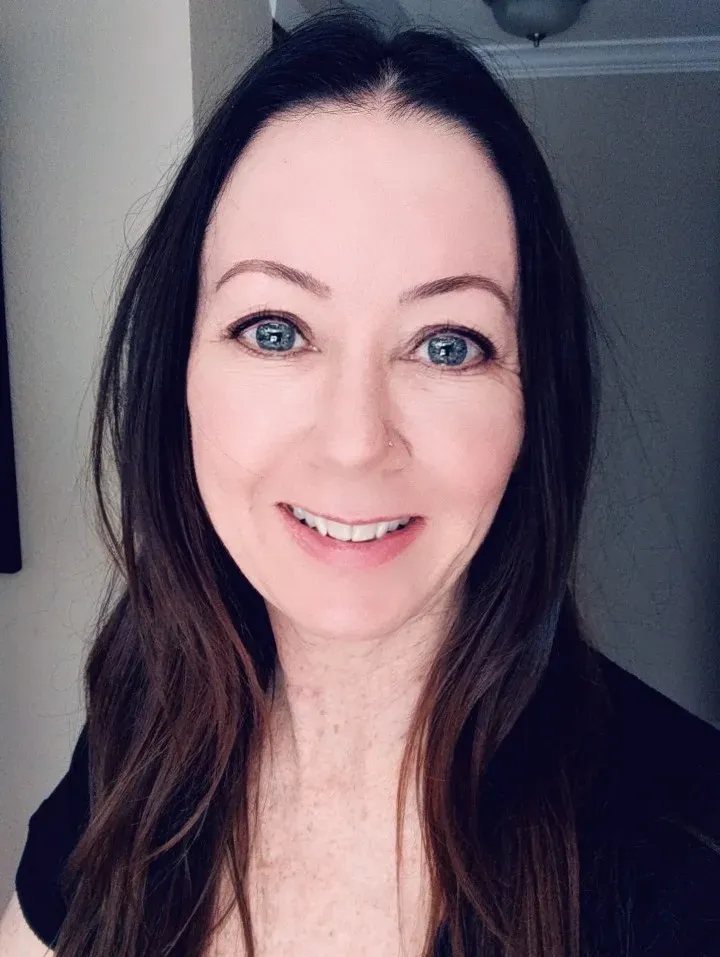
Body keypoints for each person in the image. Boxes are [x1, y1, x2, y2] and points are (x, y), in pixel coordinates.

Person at [2, 8, 719, 957]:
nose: (353, 443)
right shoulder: (139, 744)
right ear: (179, 374)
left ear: (531, 408)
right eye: (274, 330)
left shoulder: (690, 856)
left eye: (447, 345)